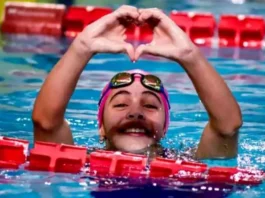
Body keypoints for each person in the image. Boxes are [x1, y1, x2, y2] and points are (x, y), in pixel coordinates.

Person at [32, 5, 242, 160]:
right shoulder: (79, 161)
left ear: (165, 126)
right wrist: (81, 47)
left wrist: (190, 56)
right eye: (121, 104)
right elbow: (46, 122)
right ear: (101, 127)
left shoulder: (186, 163)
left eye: (150, 105)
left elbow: (227, 127)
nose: (135, 113)